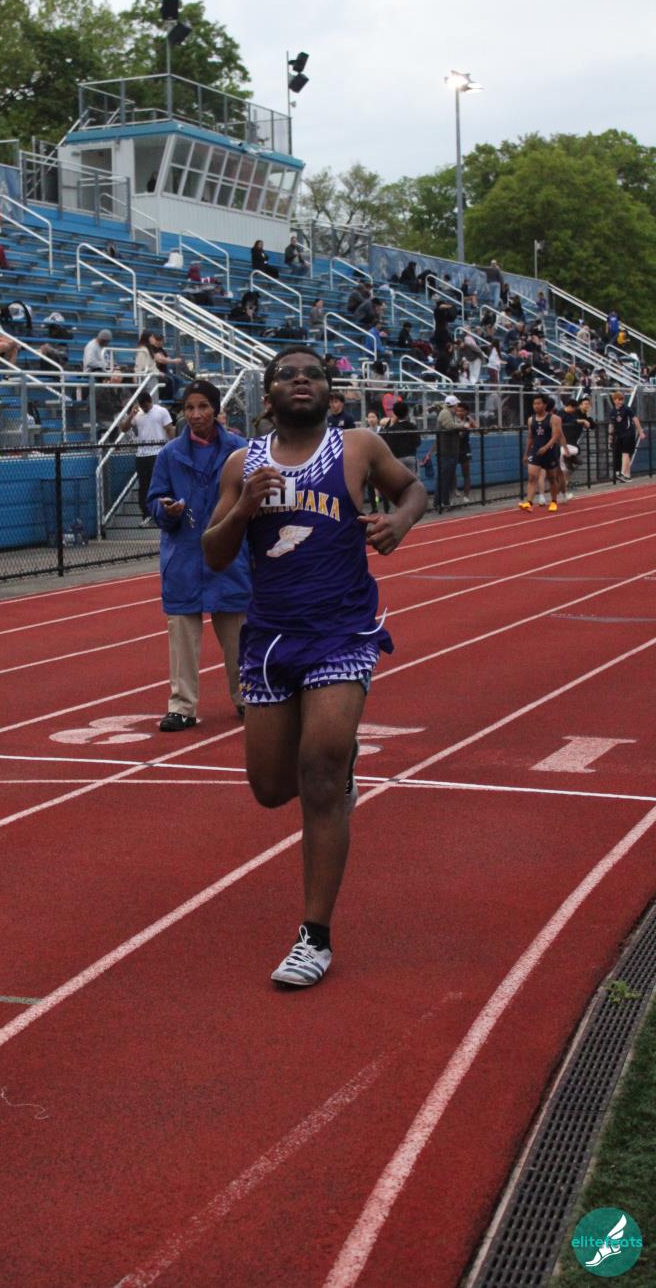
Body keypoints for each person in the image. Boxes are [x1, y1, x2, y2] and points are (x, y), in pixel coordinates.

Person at [201, 347, 426, 987]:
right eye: (287, 375)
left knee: (320, 772)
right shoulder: (242, 463)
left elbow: (413, 488)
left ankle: (315, 936)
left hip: (341, 631)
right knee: (272, 788)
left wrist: (399, 522)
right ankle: (339, 772)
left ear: (330, 393)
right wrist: (243, 508)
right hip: (270, 641)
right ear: (267, 395)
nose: (301, 381)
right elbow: (213, 553)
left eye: (314, 375)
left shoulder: (357, 447)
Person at [147, 379, 251, 731]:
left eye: (203, 406)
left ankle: (247, 697)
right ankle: (182, 706)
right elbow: (154, 498)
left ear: (216, 409)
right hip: (184, 558)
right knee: (182, 637)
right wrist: (165, 510)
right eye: (189, 407)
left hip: (230, 556)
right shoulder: (169, 454)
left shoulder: (241, 451)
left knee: (239, 637)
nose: (195, 414)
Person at [120, 390, 173, 522]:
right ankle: (146, 513)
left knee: (159, 483)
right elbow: (124, 428)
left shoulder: (161, 411)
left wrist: (171, 448)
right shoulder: (138, 414)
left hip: (158, 452)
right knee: (143, 485)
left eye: (146, 406)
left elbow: (169, 429)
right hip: (142, 454)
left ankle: (161, 511)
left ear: (150, 401)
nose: (144, 408)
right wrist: (131, 415)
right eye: (142, 406)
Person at [519, 394, 567, 511]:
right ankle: (529, 502)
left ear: (545, 405)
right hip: (536, 451)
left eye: (539, 403)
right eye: (534, 404)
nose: (536, 406)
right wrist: (526, 453)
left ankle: (554, 501)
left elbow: (556, 435)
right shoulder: (531, 420)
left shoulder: (554, 418)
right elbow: (530, 437)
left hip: (550, 451)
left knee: (552, 478)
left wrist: (546, 447)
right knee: (532, 477)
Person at [435, 394, 464, 508]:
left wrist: (460, 427)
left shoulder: (451, 414)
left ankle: (443, 501)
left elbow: (455, 427)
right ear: (453, 404)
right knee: (445, 478)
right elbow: (449, 426)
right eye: (456, 404)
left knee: (448, 477)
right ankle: (442, 502)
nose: (458, 406)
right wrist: (462, 426)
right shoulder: (445, 413)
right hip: (446, 451)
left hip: (451, 450)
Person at [609, 390, 645, 482]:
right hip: (619, 435)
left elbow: (635, 419)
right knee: (623, 454)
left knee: (625, 453)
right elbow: (611, 424)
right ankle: (627, 475)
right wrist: (610, 438)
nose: (621, 402)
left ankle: (622, 474)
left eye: (622, 400)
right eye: (619, 400)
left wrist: (640, 431)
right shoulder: (612, 411)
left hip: (628, 433)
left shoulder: (627, 409)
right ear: (614, 400)